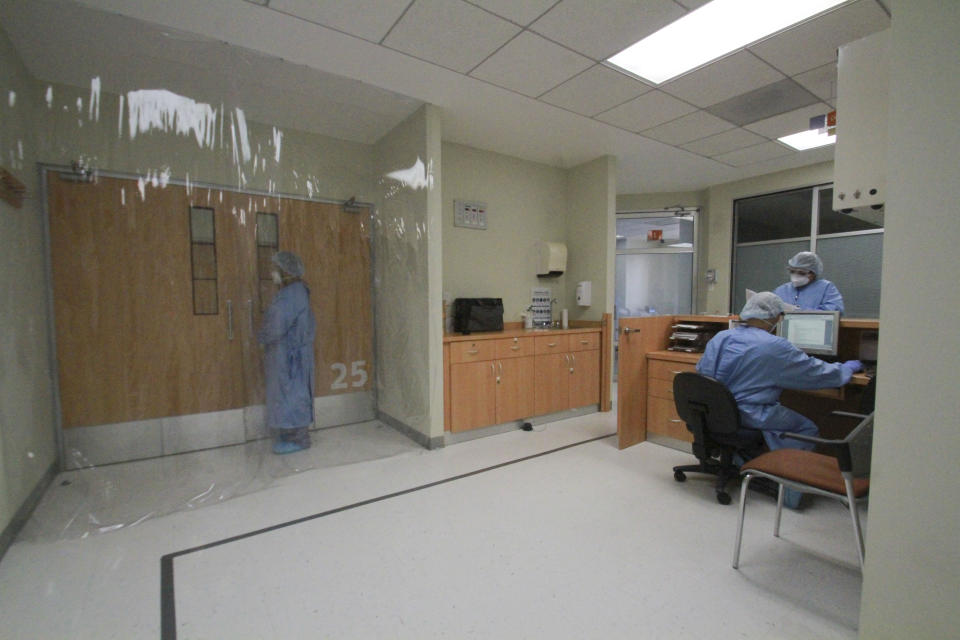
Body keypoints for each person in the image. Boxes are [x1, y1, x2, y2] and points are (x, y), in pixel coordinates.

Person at [697, 292, 862, 508]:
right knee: (806, 428)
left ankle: (749, 464)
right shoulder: (775, 347)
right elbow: (817, 373)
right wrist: (846, 369)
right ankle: (789, 493)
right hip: (750, 414)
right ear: (775, 317)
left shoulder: (721, 337)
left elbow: (702, 373)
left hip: (715, 412)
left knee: (775, 419)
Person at [258, 251, 316, 454]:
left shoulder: (292, 295)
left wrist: (261, 337)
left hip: (290, 357)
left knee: (293, 395)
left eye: (276, 270)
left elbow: (276, 325)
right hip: (289, 355)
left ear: (286, 272)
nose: (273, 274)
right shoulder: (293, 292)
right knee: (290, 394)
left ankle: (299, 439)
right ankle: (291, 434)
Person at [773, 251, 844, 313]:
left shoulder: (826, 288)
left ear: (813, 273)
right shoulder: (781, 290)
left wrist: (799, 311)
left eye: (801, 273)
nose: (795, 276)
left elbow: (833, 312)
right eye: (792, 271)